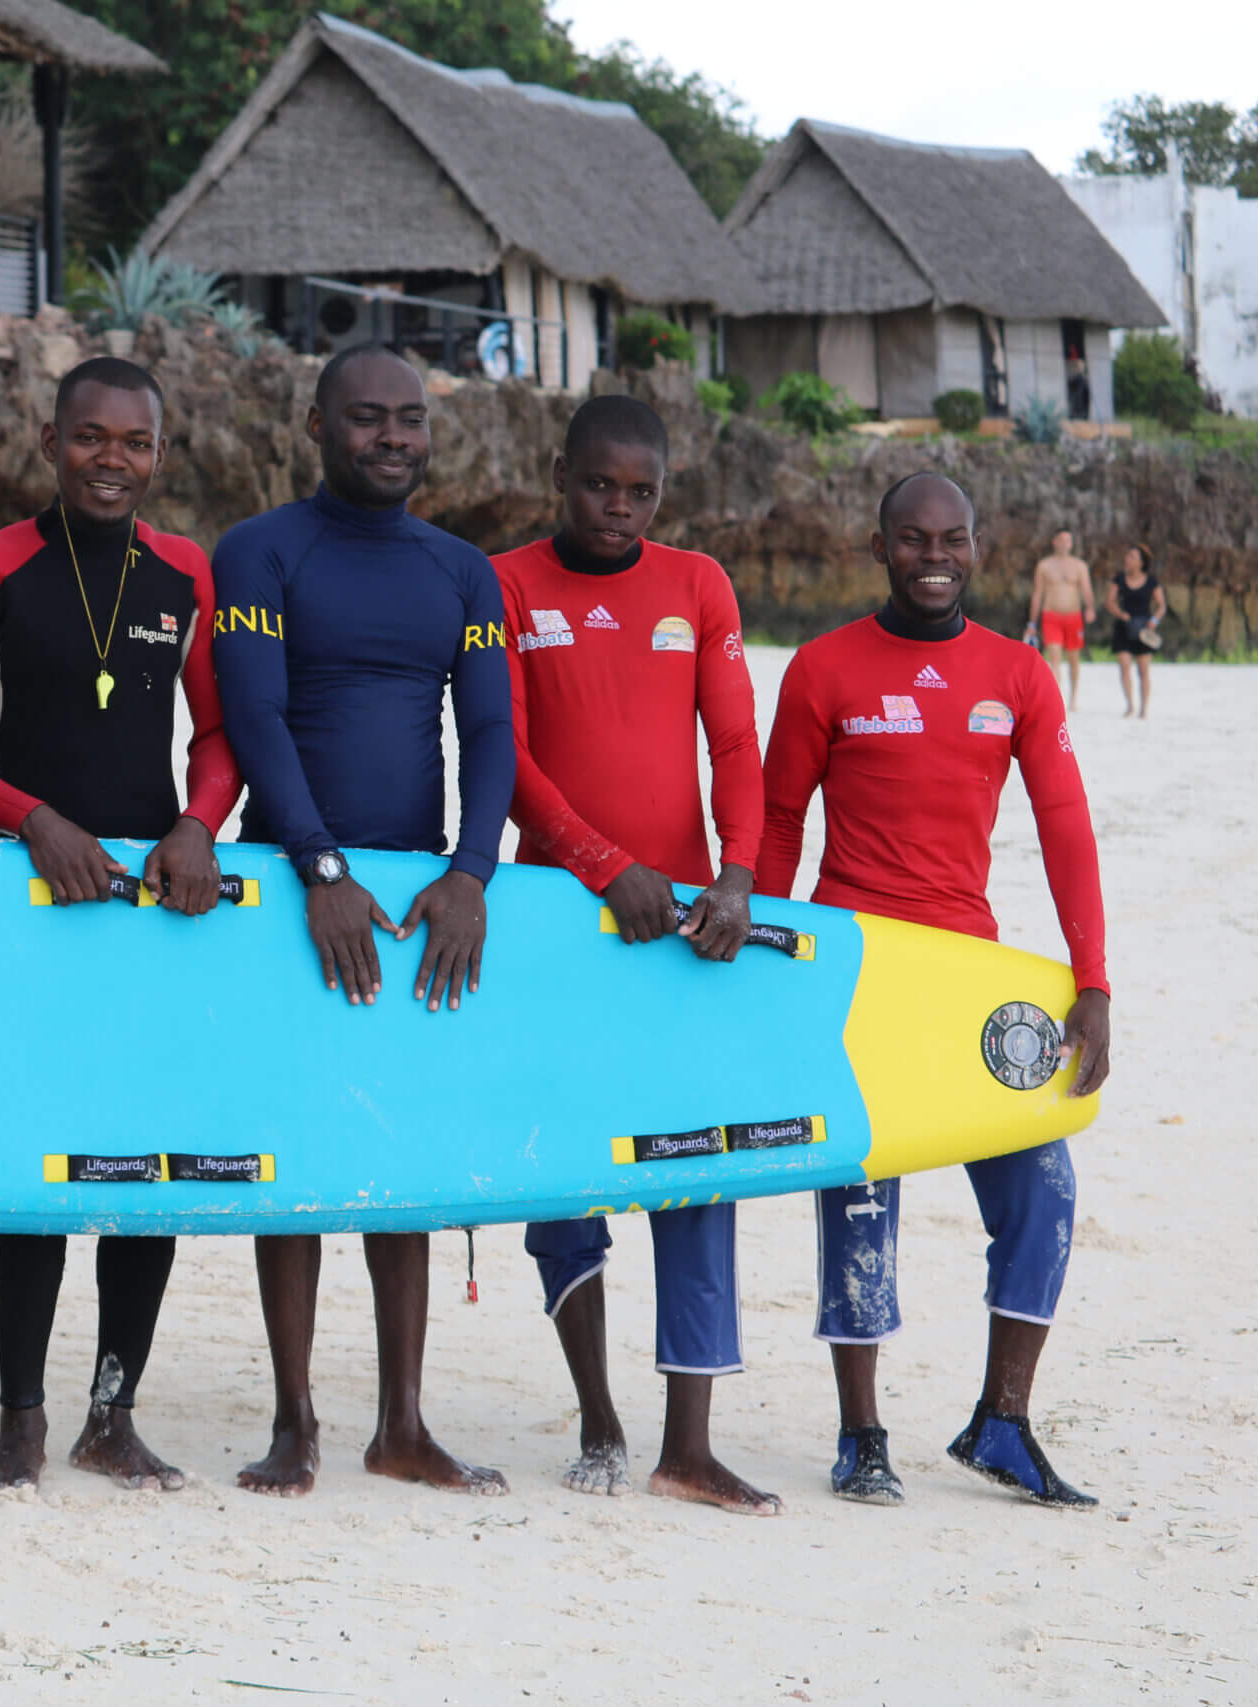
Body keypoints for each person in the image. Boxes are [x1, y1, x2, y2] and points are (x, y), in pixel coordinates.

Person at [758, 472, 1112, 1508]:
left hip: (969, 980)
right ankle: (861, 1435)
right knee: (861, 1199)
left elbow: (1063, 827)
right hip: (854, 974)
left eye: (951, 539)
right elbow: (778, 825)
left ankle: (1001, 1422)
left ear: (977, 545)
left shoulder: (1016, 674)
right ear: (879, 546)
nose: (932, 558)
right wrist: (763, 971)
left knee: (1042, 1192)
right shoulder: (823, 670)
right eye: (912, 540)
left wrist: (1091, 981)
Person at [210, 344, 513, 1498]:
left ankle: (401, 1422)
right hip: (292, 890)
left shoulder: (461, 574)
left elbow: (488, 734)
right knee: (290, 1152)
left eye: (408, 421)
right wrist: (317, 866)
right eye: (366, 419)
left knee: (403, 1149)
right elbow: (257, 718)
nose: (391, 438)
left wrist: (472, 873)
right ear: (316, 424)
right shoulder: (261, 552)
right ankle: (294, 1422)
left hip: (418, 902)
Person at [0, 357, 243, 1491]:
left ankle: (110, 1415)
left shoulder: (185, 573)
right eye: (90, 439)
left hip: (154, 909)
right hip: (37, 904)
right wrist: (32, 824)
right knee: (44, 1164)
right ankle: (21, 1419)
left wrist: (200, 826)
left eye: (134, 443)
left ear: (160, 453)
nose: (111, 460)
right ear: (50, 439)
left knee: (144, 1167)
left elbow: (217, 735)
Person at [491, 395, 778, 1515]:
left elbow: (735, 743)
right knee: (568, 1175)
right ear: (557, 474)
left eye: (639, 491)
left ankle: (687, 1445)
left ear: (661, 493)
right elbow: (504, 757)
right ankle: (599, 1420)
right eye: (597, 485)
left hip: (687, 929)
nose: (616, 508)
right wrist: (602, 865)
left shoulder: (698, 584)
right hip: (559, 923)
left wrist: (741, 873)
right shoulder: (506, 583)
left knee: (697, 1175)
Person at [1024, 529, 1092, 710]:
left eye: (1068, 540)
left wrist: (1090, 608)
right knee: (1054, 658)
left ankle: (1074, 698)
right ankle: (1058, 698)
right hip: (1051, 616)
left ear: (1071, 543)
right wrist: (1032, 623)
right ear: (1054, 542)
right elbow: (1037, 594)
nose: (1064, 543)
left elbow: (1086, 590)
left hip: (1073, 617)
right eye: (1061, 540)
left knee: (1073, 659)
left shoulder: (1080, 566)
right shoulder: (1044, 565)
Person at [1110, 545, 1166, 718]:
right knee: (1124, 666)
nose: (1128, 559)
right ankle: (1130, 705)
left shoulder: (1151, 581)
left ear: (1141, 562)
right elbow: (1109, 602)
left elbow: (1162, 605)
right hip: (1124, 627)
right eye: (1127, 556)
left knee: (1143, 670)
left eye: (1132, 557)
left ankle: (1144, 709)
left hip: (1144, 629)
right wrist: (1120, 614)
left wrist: (1154, 621)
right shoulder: (1119, 579)